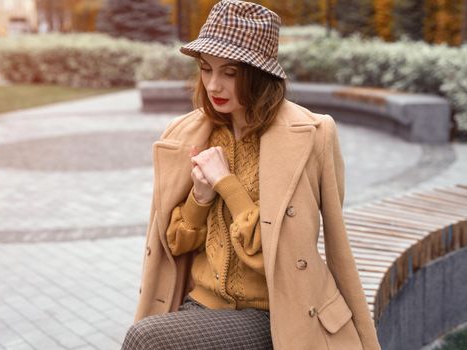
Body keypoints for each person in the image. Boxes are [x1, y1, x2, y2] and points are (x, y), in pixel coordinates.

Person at [122, 1, 382, 349]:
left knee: (146, 339)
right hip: (200, 305)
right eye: (206, 69)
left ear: (259, 74)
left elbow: (286, 252)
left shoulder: (311, 134)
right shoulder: (185, 133)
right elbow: (175, 244)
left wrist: (226, 185)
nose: (214, 85)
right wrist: (200, 196)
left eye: (230, 73)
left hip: (274, 311)